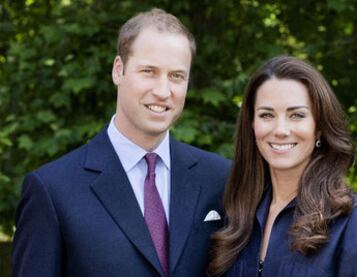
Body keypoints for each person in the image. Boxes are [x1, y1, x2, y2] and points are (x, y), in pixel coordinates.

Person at [12, 8, 231, 277]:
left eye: (176, 76)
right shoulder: (52, 191)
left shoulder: (220, 178)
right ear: (119, 70)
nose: (163, 91)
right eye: (149, 71)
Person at [208, 56, 357, 277]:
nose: (280, 130)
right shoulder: (235, 213)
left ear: (318, 127)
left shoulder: (353, 218)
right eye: (267, 115)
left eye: (297, 115)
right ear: (252, 125)